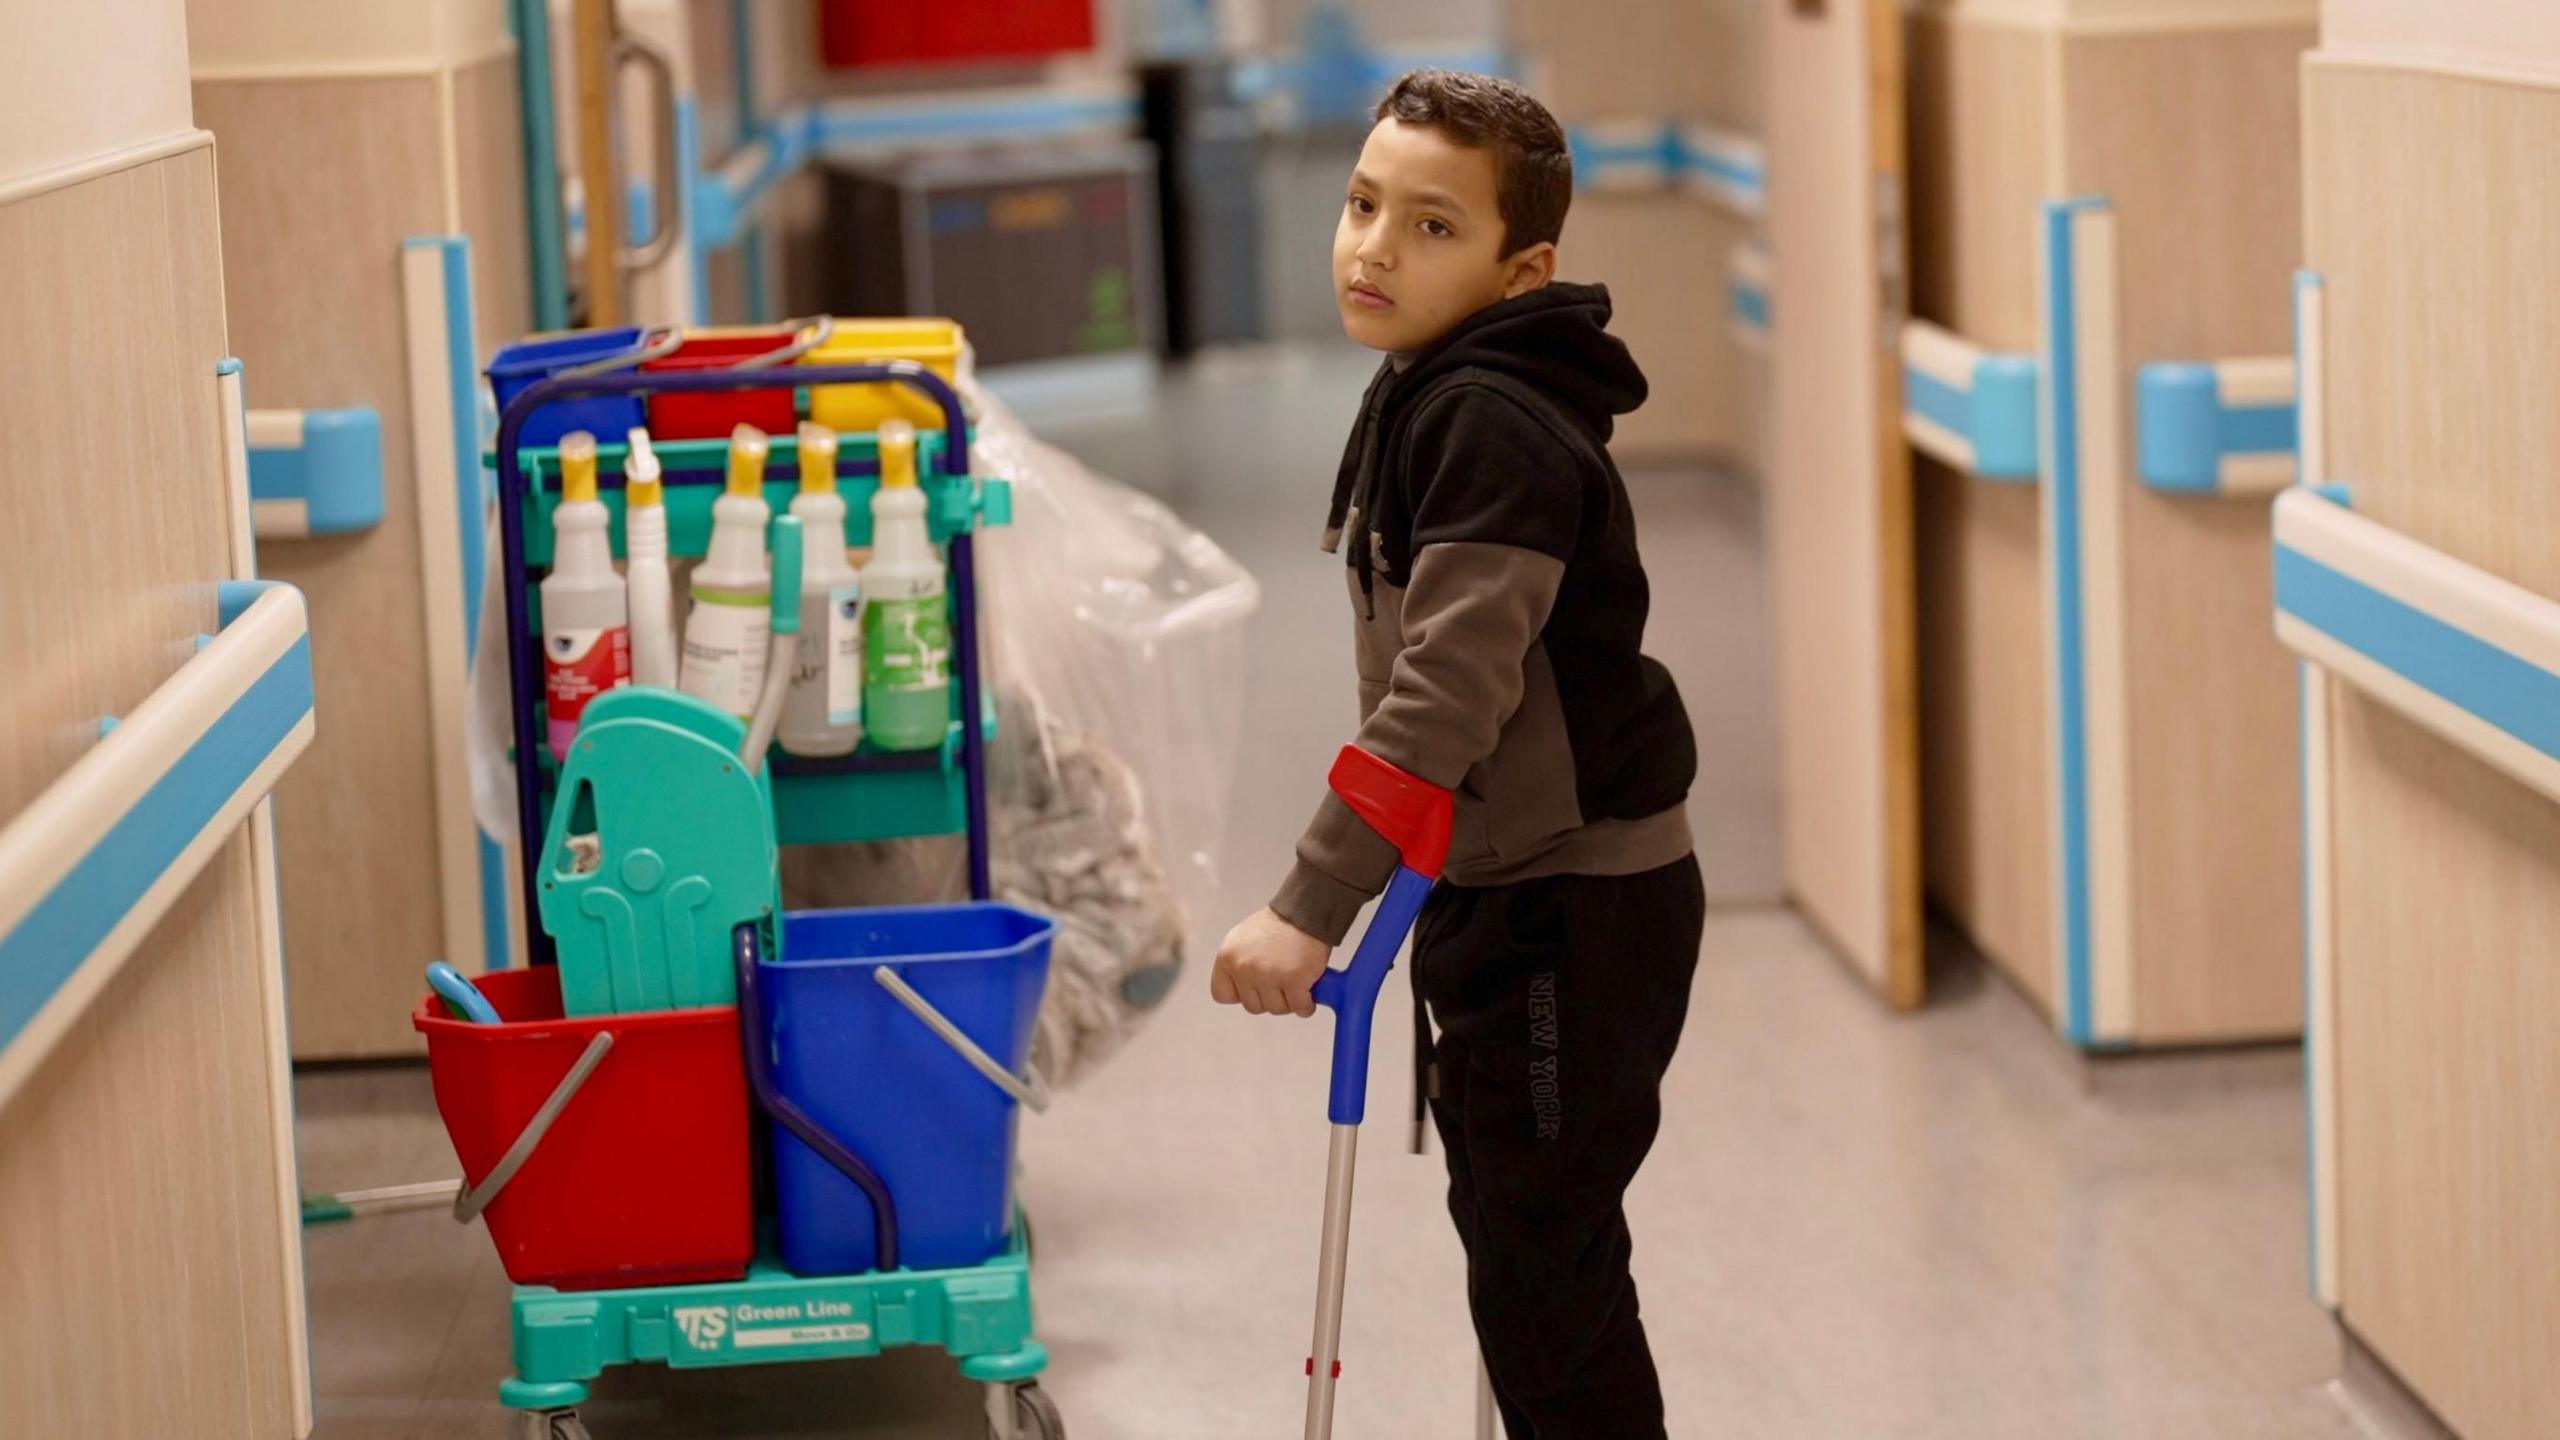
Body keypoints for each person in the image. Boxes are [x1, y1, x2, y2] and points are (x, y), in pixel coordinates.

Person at [1210, 68, 1705, 1440]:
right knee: (1525, 1252)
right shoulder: (1433, 388)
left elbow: (1441, 702)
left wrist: (1309, 907)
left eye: (1433, 226)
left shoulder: (1489, 421)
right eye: (1365, 203)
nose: (1374, 245)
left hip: (1574, 905)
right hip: (1507, 881)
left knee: (1547, 1280)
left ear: (1518, 268)